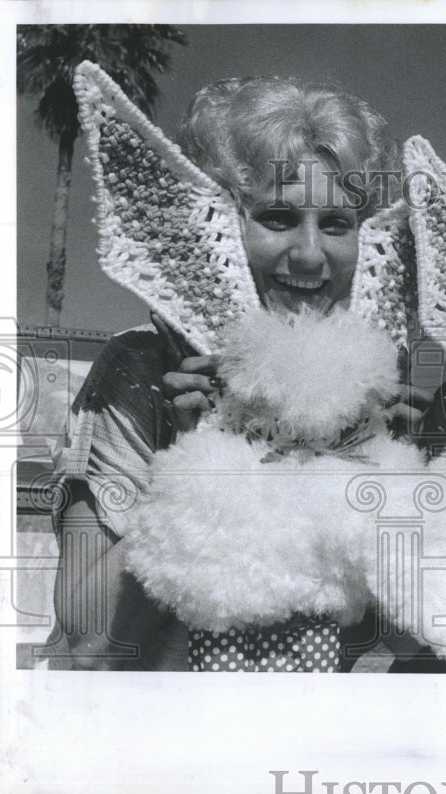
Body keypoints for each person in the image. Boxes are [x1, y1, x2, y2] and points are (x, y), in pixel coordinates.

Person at [49, 74, 426, 671]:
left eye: (336, 224)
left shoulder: (373, 386)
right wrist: (202, 452)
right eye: (277, 217)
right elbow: (90, 639)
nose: (308, 254)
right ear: (218, 223)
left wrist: (398, 482)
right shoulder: (141, 370)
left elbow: (408, 639)